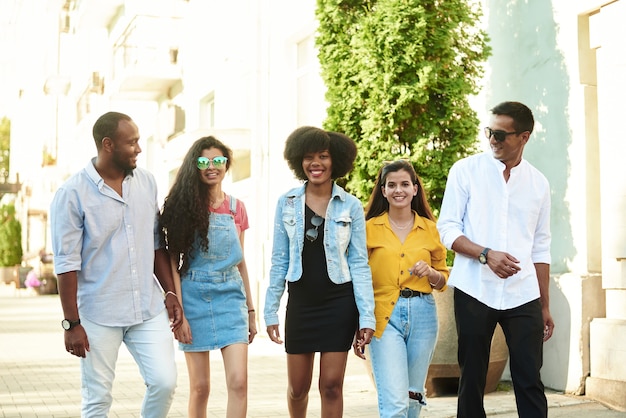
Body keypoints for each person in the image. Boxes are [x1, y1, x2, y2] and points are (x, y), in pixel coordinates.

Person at [50, 111, 182, 417]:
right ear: (108, 145)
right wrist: (72, 324)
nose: (138, 148)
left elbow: (155, 244)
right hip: (98, 313)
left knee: (164, 382)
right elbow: (66, 263)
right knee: (98, 399)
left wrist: (170, 293)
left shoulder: (146, 182)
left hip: (147, 309)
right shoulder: (72, 194)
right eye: (132, 142)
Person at [437, 101, 555, 418]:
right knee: (472, 378)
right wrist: (485, 255)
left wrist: (544, 305)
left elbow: (541, 247)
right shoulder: (465, 171)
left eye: (502, 134)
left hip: (523, 292)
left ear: (524, 137)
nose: (493, 139)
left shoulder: (538, 184)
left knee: (530, 378)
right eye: (490, 132)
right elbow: (447, 229)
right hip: (474, 289)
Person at [263, 126, 376, 417]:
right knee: (297, 388)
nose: (316, 163)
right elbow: (278, 259)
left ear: (335, 160)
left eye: (323, 156)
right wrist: (270, 310)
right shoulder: (286, 203)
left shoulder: (350, 206)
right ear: (299, 161)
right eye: (309, 157)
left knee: (331, 386)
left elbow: (360, 264)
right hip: (301, 302)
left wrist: (366, 316)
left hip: (339, 303)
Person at [159, 136, 257, 418]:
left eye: (218, 161)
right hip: (193, 298)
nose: (211, 167)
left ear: (226, 165)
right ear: (195, 166)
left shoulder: (237, 208)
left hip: (231, 299)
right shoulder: (182, 209)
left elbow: (240, 263)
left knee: (239, 382)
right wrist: (181, 315)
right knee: (200, 387)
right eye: (203, 161)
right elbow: (174, 264)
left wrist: (251, 311)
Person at [362, 159, 449, 417]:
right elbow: (359, 278)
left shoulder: (431, 230)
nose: (398, 190)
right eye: (392, 185)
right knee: (395, 403)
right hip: (384, 317)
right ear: (383, 190)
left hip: (423, 313)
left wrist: (431, 273)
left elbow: (442, 280)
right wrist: (360, 320)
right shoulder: (368, 229)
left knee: (413, 396)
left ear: (414, 189)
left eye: (404, 184)